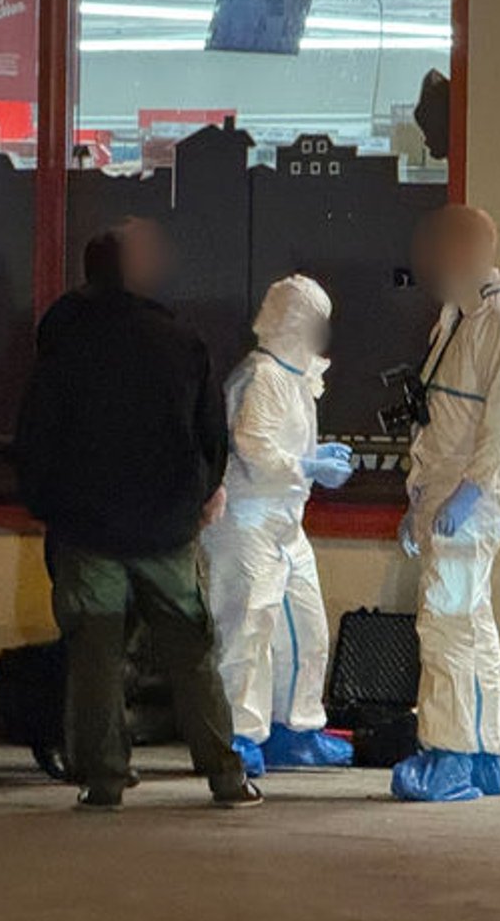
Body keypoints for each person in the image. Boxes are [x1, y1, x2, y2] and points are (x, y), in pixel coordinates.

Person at [14, 219, 262, 812]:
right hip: (167, 523)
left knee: (95, 651)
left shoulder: (63, 338)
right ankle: (225, 775)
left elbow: (37, 430)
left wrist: (47, 503)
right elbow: (210, 433)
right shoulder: (178, 340)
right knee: (190, 649)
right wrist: (203, 494)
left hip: (86, 523)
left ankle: (102, 778)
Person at [390, 205, 500, 803]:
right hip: (448, 491)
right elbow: (442, 416)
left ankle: (450, 751)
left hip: (470, 495)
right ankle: (481, 753)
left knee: (447, 623)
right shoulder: (458, 316)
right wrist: (420, 499)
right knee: (469, 620)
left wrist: (470, 492)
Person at [201, 275, 355, 777]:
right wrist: (308, 467)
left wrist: (310, 461)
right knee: (247, 629)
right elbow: (254, 446)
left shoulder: (293, 378)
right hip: (247, 522)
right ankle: (237, 736)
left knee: (304, 627)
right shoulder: (263, 376)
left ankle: (296, 725)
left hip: (286, 520)